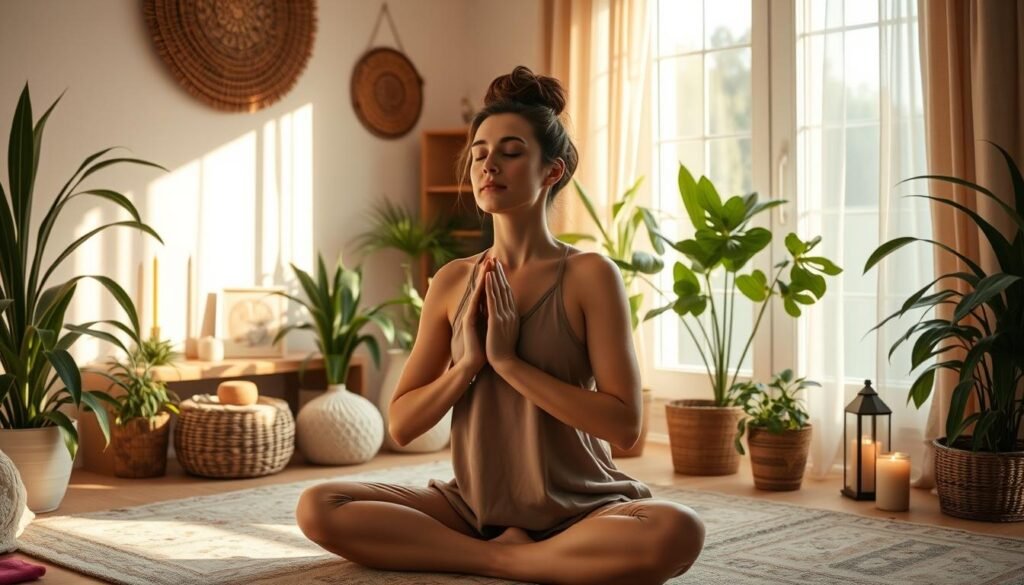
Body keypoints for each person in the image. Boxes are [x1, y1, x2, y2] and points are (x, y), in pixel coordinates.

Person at [295, 66, 705, 585]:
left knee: (676, 530)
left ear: (550, 172)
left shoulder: (588, 275)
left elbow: (626, 426)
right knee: (319, 505)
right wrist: (466, 365)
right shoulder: (451, 282)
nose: (490, 164)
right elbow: (400, 424)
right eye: (480, 153)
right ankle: (506, 559)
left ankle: (504, 557)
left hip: (580, 508)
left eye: (510, 151)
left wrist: (508, 363)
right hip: (473, 509)